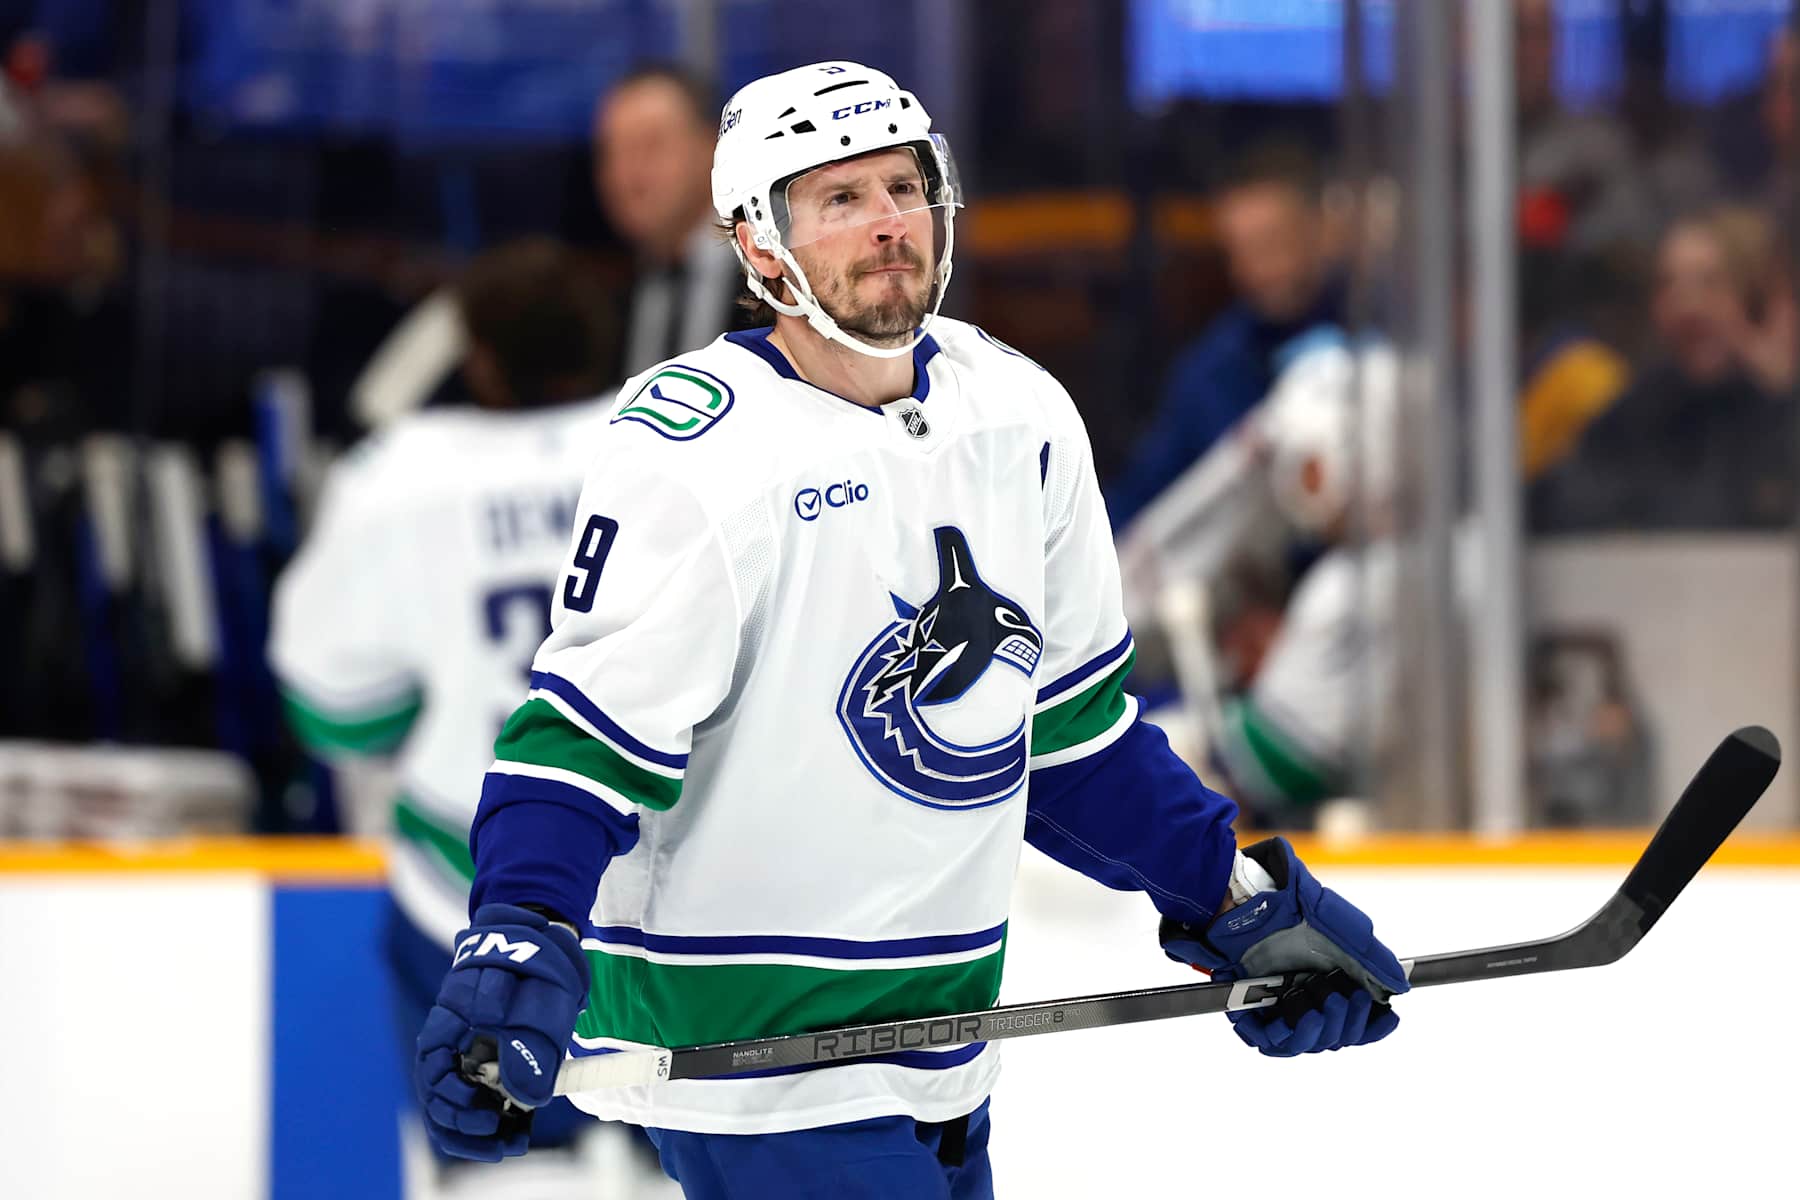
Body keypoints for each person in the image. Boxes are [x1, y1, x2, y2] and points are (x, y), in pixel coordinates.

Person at [412, 63, 1408, 1199]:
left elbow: (1071, 735)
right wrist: (518, 935)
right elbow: (581, 741)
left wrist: (1231, 901)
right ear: (757, 242)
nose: (889, 223)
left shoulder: (1019, 413)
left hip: (944, 1052)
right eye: (839, 199)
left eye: (905, 186)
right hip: (753, 1059)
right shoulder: (693, 452)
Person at [270, 240, 672, 1196]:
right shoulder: (688, 448)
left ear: (479, 358)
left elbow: (333, 711)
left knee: (500, 1171)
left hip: (468, 897)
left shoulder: (400, 479)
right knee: (694, 1160)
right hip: (672, 896)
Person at [1105, 142, 1345, 529]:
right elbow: (1139, 498)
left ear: (1320, 230)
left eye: (1273, 243)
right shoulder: (1212, 371)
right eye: (1241, 252)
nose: (1258, 271)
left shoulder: (1379, 338)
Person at [1532, 206, 1797, 531]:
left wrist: (1781, 399)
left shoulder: (1781, 411)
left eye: (1709, 283)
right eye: (1668, 284)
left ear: (1757, 301)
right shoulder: (1640, 412)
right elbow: (1560, 504)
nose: (1685, 304)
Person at [595, 62, 747, 377]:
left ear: (712, 148)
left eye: (650, 147)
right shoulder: (603, 299)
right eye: (612, 152)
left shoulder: (774, 281)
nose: (628, 174)